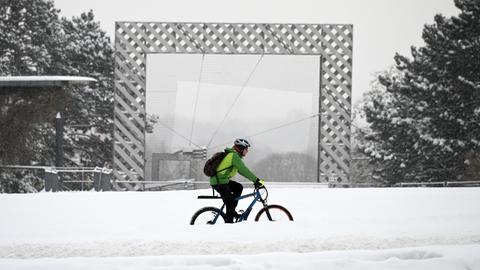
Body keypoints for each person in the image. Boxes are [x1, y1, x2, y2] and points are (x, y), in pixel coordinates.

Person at [210, 138, 265, 223]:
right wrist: (256, 180)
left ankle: (232, 212)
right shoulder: (234, 156)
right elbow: (244, 170)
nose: (247, 151)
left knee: (238, 187)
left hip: (222, 181)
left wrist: (255, 180)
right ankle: (229, 221)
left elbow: (242, 172)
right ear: (241, 148)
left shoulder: (234, 156)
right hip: (219, 182)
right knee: (230, 201)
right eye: (246, 149)